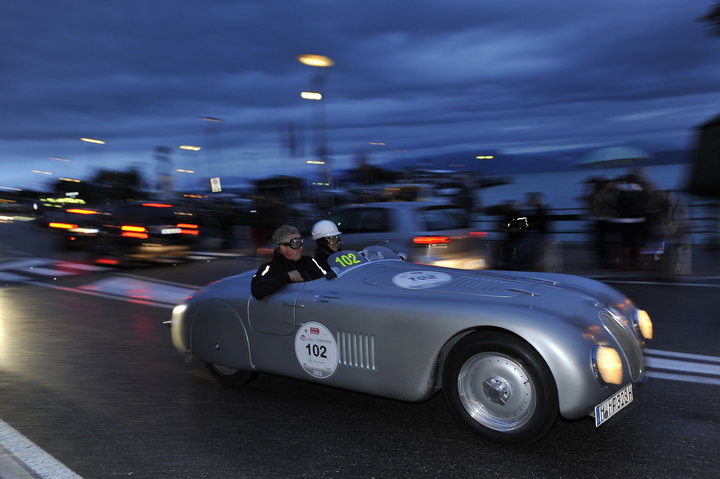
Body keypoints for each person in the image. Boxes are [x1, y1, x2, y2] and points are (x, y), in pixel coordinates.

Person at [251, 225, 325, 300]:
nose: (301, 247)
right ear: (283, 248)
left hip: (313, 303)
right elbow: (256, 291)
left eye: (301, 242)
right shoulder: (270, 268)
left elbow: (324, 278)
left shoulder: (309, 261)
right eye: (296, 243)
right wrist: (287, 277)